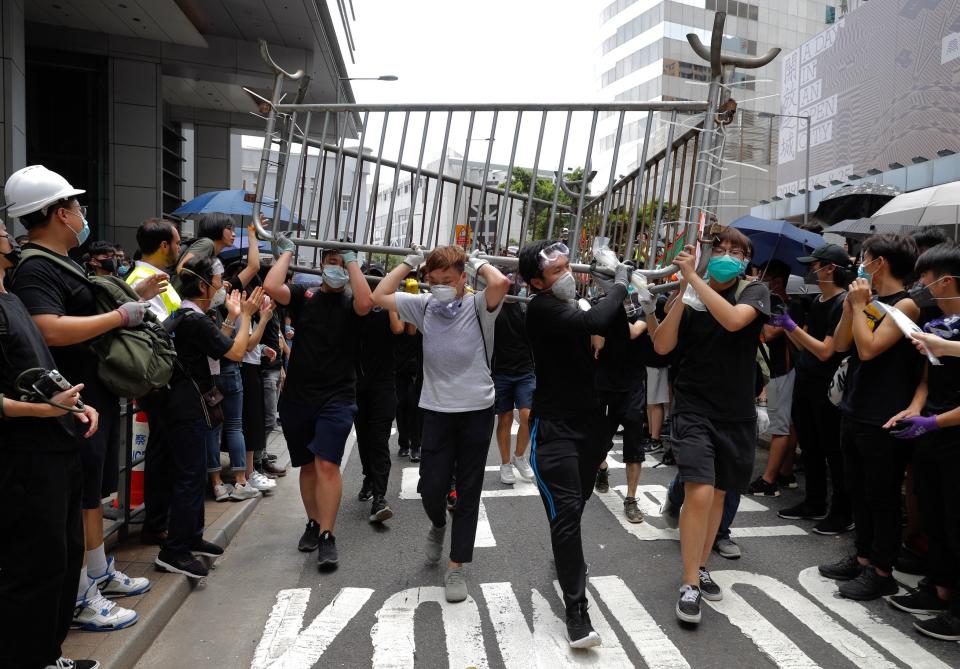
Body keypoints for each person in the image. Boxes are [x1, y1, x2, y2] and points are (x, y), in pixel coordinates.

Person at [5, 165, 149, 631]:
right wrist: (119, 318)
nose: (81, 215)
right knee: (73, 503)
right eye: (75, 207)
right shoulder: (36, 268)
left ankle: (95, 575)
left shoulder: (57, 262)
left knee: (88, 493)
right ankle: (83, 594)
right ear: (57, 213)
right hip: (62, 410)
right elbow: (48, 327)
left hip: (84, 402)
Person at [372, 244, 509, 604]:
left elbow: (501, 282)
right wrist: (410, 264)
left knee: (467, 490)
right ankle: (437, 525)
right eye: (435, 281)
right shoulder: (424, 306)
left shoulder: (479, 305)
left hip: (477, 410)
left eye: (448, 280)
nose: (441, 287)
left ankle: (456, 565)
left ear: (463, 278)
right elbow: (378, 294)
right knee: (431, 488)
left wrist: (476, 260)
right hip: (435, 410)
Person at [0, 211, 103, 669]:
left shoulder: (12, 298)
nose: (8, 235)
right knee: (33, 567)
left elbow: (40, 368)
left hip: (57, 445)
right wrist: (41, 410)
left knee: (62, 561)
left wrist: (75, 404)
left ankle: (48, 655)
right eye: (1, 233)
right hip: (23, 456)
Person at [652, 229, 770, 626]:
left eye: (737, 251)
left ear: (746, 261)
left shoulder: (754, 291)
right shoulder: (690, 294)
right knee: (699, 491)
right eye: (719, 249)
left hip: (736, 411)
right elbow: (663, 346)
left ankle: (701, 565)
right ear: (707, 252)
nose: (727, 256)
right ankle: (689, 583)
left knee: (719, 495)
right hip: (693, 406)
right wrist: (683, 293)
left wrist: (697, 282)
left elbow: (736, 322)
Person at [518, 239, 632, 647]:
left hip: (591, 426)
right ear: (536, 282)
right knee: (566, 513)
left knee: (577, 505)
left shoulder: (575, 305)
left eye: (569, 266)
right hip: (554, 430)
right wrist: (619, 281)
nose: (568, 274)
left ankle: (566, 557)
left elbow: (614, 329)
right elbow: (595, 323)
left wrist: (625, 295)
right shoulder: (541, 310)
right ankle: (576, 610)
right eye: (556, 271)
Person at [819, 233, 922, 601]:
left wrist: (861, 305)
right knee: (857, 489)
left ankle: (881, 571)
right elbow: (844, 344)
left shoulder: (907, 305)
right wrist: (851, 307)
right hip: (856, 408)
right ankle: (862, 556)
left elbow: (870, 348)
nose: (860, 263)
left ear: (882, 263)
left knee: (881, 495)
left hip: (885, 414)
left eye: (866, 257)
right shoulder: (869, 301)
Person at [264, 239, 373, 569]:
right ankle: (313, 523)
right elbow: (271, 285)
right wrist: (286, 251)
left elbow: (367, 302)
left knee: (327, 463)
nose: (336, 268)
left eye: (343, 263)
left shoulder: (354, 302)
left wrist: (352, 261)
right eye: (332, 262)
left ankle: (327, 534)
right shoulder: (303, 296)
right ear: (320, 265)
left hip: (338, 396)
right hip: (297, 396)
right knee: (308, 465)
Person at [154, 257, 260, 578]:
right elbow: (236, 352)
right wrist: (247, 318)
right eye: (218, 280)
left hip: (184, 402)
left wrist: (230, 317)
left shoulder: (187, 314)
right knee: (189, 475)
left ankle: (192, 538)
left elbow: (216, 346)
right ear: (203, 285)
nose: (222, 286)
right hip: (187, 406)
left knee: (195, 471)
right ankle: (174, 551)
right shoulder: (194, 320)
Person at [883, 241, 960, 641]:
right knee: (936, 516)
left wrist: (934, 423)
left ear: (946, 280)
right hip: (933, 434)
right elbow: (927, 383)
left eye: (925, 280)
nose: (920, 288)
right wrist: (914, 411)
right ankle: (940, 588)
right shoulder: (935, 324)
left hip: (952, 436)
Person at [769, 244, 852, 534]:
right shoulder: (817, 300)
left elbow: (827, 351)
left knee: (832, 449)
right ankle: (814, 502)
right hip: (806, 379)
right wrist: (790, 329)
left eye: (815, 265)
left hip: (828, 387)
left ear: (830, 268)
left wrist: (791, 326)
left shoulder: (844, 303)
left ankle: (843, 512)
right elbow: (807, 346)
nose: (810, 270)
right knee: (811, 447)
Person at [592, 284, 650, 523]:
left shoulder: (643, 310)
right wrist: (605, 311)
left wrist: (612, 312)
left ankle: (631, 498)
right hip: (605, 386)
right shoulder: (601, 306)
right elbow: (598, 343)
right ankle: (602, 467)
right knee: (597, 444)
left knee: (634, 447)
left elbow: (635, 332)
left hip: (633, 387)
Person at [747, 260, 801, 498]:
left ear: (777, 280)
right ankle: (786, 474)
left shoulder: (787, 306)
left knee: (780, 427)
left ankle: (769, 481)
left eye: (764, 276)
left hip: (782, 371)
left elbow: (768, 334)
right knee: (788, 425)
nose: (760, 280)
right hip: (778, 371)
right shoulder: (777, 303)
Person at [355, 264, 403, 522]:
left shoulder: (388, 307)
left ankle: (380, 498)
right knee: (363, 438)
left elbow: (398, 329)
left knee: (379, 440)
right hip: (358, 386)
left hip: (385, 385)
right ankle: (368, 477)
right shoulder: (356, 308)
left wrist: (389, 299)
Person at [491, 274, 536, 484]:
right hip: (500, 371)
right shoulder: (494, 308)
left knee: (528, 416)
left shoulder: (526, 308)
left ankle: (519, 457)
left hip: (525, 371)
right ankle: (505, 463)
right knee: (505, 418)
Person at [126, 218, 181, 321]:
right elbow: (161, 328)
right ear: (164, 245)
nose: (179, 248)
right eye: (177, 243)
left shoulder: (151, 276)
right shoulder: (144, 280)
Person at [393, 278, 424, 462]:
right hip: (397, 365)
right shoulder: (395, 305)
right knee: (401, 406)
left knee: (415, 406)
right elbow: (397, 328)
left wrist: (411, 304)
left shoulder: (418, 306)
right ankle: (403, 443)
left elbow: (412, 332)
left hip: (416, 365)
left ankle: (415, 445)